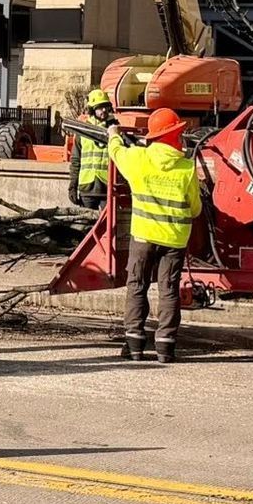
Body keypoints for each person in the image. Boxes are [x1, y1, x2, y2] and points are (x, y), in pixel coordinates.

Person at [108, 107, 201, 364]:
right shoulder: (187, 168)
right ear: (173, 136)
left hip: (144, 236)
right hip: (174, 240)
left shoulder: (138, 158)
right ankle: (165, 348)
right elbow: (195, 208)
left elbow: (115, 152)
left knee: (137, 286)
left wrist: (113, 133)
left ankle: (135, 344)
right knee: (168, 290)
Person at [69, 87, 115, 208]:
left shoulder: (114, 129)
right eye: (99, 107)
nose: (104, 110)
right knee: (86, 225)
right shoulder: (83, 131)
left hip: (107, 188)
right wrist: (72, 187)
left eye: (105, 106)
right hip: (87, 187)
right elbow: (75, 160)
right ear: (92, 110)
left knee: (106, 225)